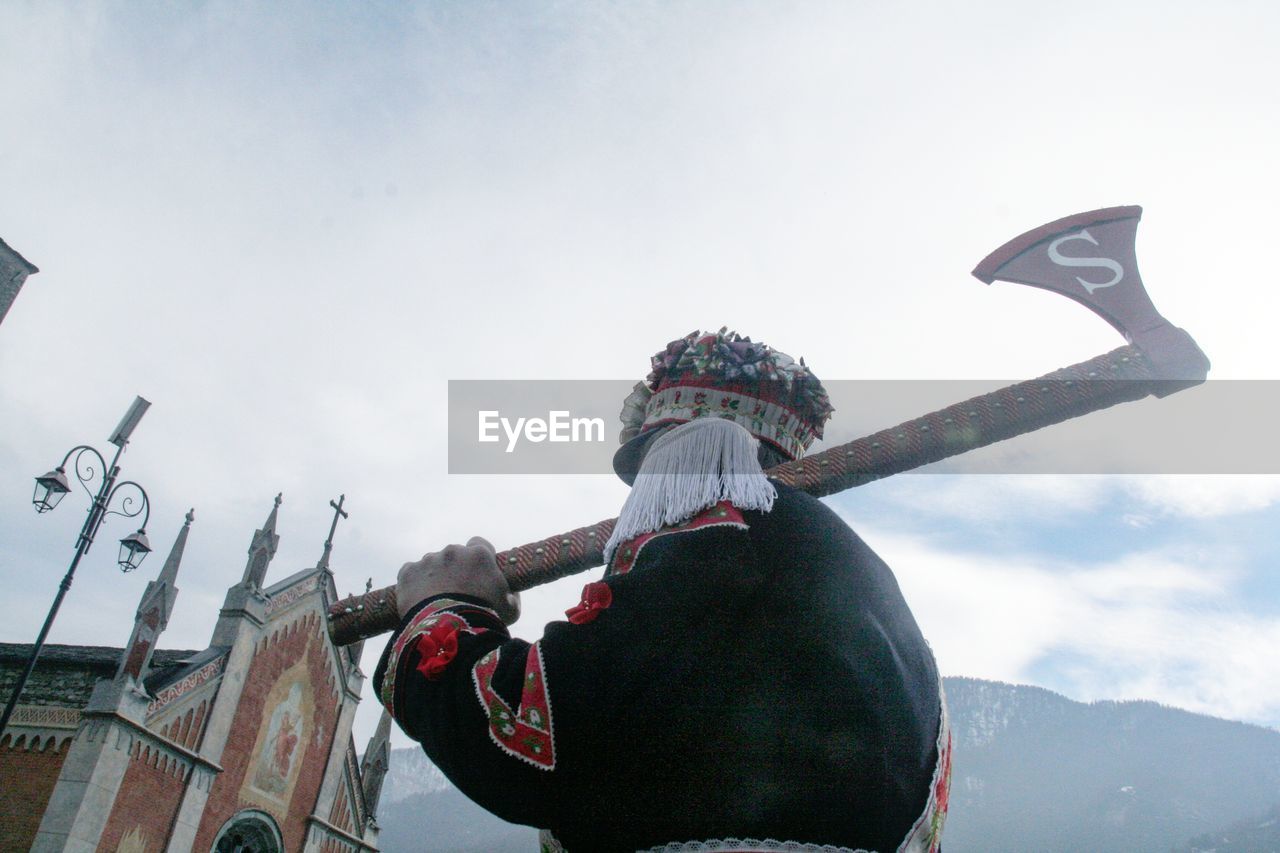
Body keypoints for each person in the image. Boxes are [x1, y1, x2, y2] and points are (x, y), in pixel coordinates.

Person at [375, 329, 950, 852]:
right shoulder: (857, 575)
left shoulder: (714, 535)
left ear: (690, 452)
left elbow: (541, 741)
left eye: (647, 470)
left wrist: (445, 606)